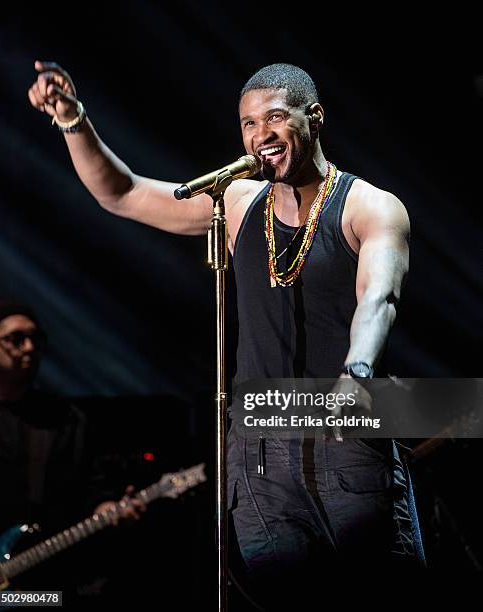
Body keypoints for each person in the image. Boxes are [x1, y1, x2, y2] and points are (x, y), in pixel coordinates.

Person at [28, 62, 422, 607]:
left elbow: (380, 296)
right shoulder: (236, 202)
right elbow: (122, 193)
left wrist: (356, 370)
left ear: (315, 118)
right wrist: (72, 119)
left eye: (276, 118)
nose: (261, 135)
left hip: (347, 431)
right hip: (258, 446)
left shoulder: (370, 207)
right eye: (248, 124)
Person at [0, 297, 145, 601]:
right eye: (15, 339)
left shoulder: (66, 419)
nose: (29, 348)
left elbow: (95, 484)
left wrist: (106, 508)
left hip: (52, 576)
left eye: (36, 339)